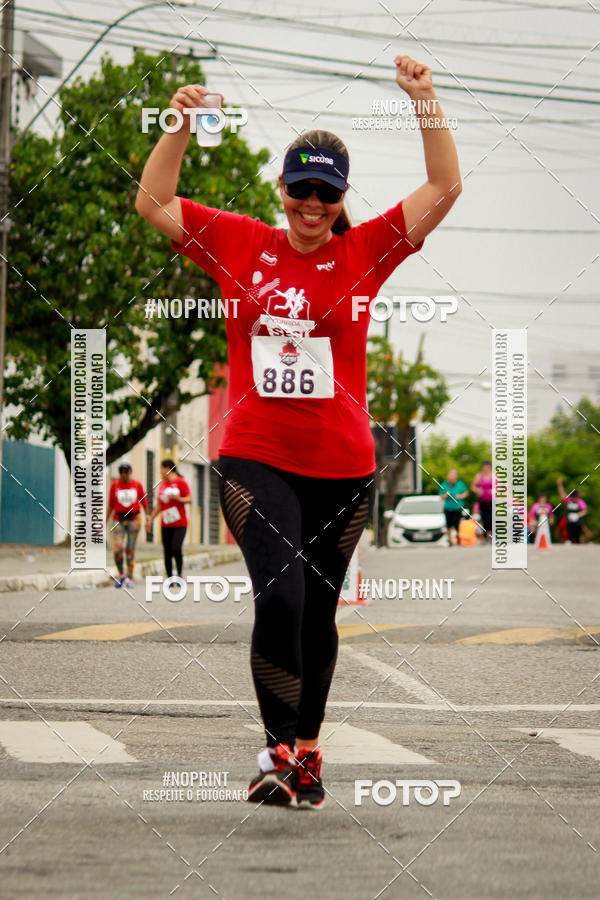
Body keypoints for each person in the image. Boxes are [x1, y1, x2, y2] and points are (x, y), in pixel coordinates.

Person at [136, 53, 461, 807]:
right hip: (255, 454)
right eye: (299, 189)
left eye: (325, 192)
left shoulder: (364, 251)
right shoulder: (241, 242)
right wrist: (179, 126)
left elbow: (444, 187)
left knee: (317, 611)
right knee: (278, 596)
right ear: (281, 189)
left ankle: (307, 757)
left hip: (345, 465)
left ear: (341, 199)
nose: (310, 204)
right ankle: (277, 752)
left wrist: (426, 102)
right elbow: (153, 201)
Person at [146, 460, 192, 577]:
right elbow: (159, 505)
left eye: (161, 469)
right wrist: (150, 520)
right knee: (167, 551)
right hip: (166, 523)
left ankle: (180, 573)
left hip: (180, 523)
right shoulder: (163, 485)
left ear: (168, 469)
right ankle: (170, 577)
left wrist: (178, 499)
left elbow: (189, 499)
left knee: (176, 548)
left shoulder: (181, 482)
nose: (160, 472)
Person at [106, 463, 148, 588]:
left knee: (130, 549)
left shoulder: (136, 485)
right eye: (121, 472)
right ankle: (121, 574)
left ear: (130, 472)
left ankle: (130, 576)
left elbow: (144, 502)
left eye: (126, 472)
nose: (124, 475)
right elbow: (111, 505)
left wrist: (147, 517)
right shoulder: (115, 485)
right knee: (117, 549)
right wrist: (104, 521)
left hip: (134, 520)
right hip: (118, 519)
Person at [439, 469, 469, 545]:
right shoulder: (444, 484)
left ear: (456, 477)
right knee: (448, 525)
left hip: (457, 507)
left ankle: (458, 538)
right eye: (450, 476)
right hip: (448, 508)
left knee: (457, 523)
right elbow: (441, 496)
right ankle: (449, 540)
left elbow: (466, 493)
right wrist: (446, 495)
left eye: (453, 476)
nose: (452, 478)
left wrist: (460, 496)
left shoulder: (460, 484)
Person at [557, 477, 587, 544]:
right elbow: (562, 493)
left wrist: (578, 515)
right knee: (570, 536)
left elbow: (585, 511)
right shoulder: (568, 500)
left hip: (578, 522)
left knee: (577, 536)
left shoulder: (580, 502)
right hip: (569, 522)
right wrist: (559, 484)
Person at [471, 461, 494, 542]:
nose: (486, 468)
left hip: (492, 501)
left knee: (491, 518)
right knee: (484, 518)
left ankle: (491, 535)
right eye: (484, 466)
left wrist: (494, 491)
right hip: (482, 501)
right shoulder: (479, 476)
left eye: (487, 466)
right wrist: (477, 490)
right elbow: (473, 487)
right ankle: (485, 536)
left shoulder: (494, 476)